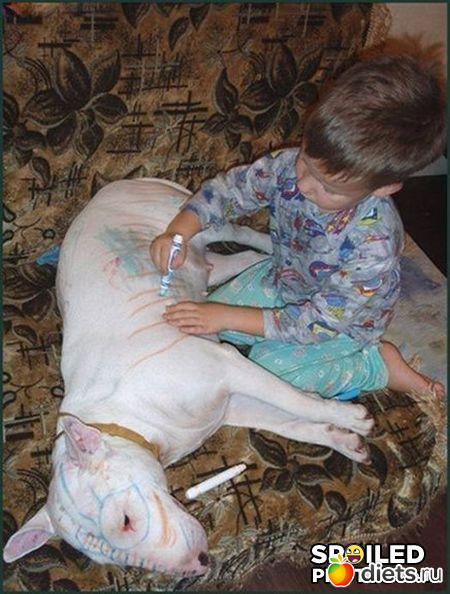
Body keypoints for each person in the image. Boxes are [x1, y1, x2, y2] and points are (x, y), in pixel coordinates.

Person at [150, 54, 446, 400]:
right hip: (285, 279)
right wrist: (179, 231)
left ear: (384, 188)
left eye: (328, 188)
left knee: (266, 373)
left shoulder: (374, 245)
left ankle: (376, 365)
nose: (304, 184)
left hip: (341, 326)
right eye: (305, 161)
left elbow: (316, 323)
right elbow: (231, 191)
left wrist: (226, 316)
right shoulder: (290, 165)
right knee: (200, 317)